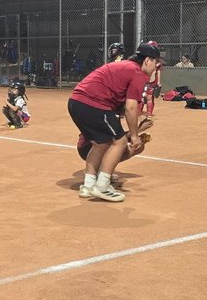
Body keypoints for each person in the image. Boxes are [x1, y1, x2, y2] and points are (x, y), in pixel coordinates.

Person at [67, 42, 162, 203]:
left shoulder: (126, 67)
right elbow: (130, 108)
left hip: (76, 102)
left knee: (101, 143)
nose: (156, 68)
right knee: (120, 141)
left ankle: (89, 185)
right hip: (93, 103)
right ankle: (102, 186)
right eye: (155, 63)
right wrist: (134, 135)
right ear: (147, 61)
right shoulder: (137, 73)